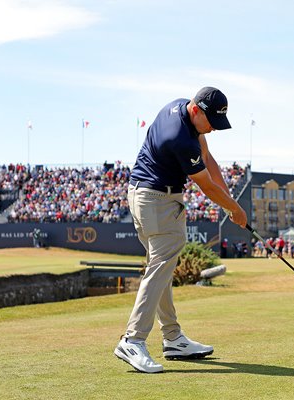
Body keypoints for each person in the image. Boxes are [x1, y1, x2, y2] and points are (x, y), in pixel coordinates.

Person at [114, 87, 247, 373]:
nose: (212, 128)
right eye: (210, 122)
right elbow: (206, 185)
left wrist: (231, 203)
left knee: (159, 267)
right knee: (161, 266)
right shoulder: (179, 137)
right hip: (157, 200)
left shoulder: (180, 108)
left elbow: (208, 160)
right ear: (196, 110)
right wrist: (235, 210)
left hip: (144, 196)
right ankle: (133, 340)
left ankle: (173, 337)